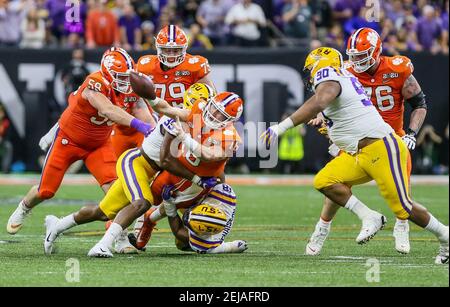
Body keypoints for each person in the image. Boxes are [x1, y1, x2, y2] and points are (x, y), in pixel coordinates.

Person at [262, 47, 448, 265]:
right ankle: (368, 216)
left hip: (382, 148)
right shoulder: (343, 78)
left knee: (403, 206)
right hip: (359, 152)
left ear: (322, 65)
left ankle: (445, 236)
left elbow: (319, 102)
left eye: (311, 68)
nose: (310, 74)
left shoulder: (329, 74)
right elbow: (339, 114)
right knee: (325, 181)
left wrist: (280, 127)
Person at [306, 28, 429, 256]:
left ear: (377, 51)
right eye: (353, 56)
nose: (357, 61)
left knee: (402, 195)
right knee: (333, 184)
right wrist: (322, 116)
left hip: (391, 139)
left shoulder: (397, 68)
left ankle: (402, 228)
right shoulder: (345, 71)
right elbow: (330, 99)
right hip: (357, 138)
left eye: (362, 56)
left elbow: (419, 104)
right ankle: (321, 228)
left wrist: (411, 133)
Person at [6, 47, 154, 235]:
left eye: (127, 76)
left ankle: (119, 236)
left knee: (115, 193)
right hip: (69, 141)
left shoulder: (130, 86)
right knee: (46, 191)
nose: (125, 81)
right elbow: (109, 110)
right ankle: (24, 207)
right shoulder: (95, 83)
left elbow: (143, 110)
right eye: (120, 76)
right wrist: (141, 126)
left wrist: (153, 126)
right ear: (107, 73)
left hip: (99, 144)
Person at [137, 25, 215, 109]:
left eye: (176, 50)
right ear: (158, 48)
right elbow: (136, 100)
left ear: (184, 49)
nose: (171, 55)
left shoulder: (195, 65)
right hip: (155, 118)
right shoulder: (145, 65)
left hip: (186, 117)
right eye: (167, 50)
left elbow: (211, 97)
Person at [0, 102, 13, 173]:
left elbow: (8, 136)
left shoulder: (6, 123)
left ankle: (5, 168)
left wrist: (2, 139)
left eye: (1, 112)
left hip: (2, 143)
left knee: (8, 146)